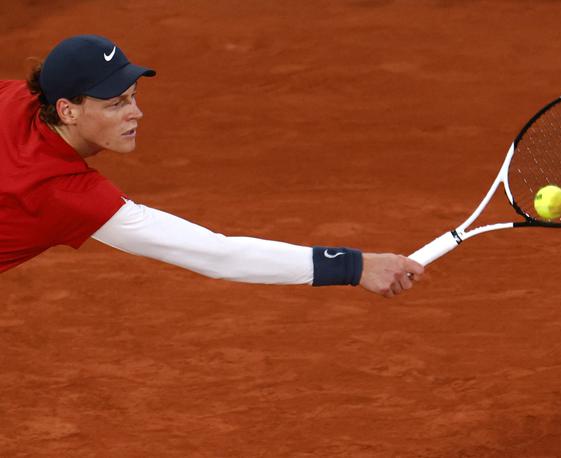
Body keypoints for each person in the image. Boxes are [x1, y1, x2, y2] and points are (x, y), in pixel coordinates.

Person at [0, 35, 423, 297]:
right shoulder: (66, 195)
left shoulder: (13, 97)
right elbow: (218, 255)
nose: (137, 114)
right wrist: (356, 266)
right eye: (116, 104)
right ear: (67, 111)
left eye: (132, 96)